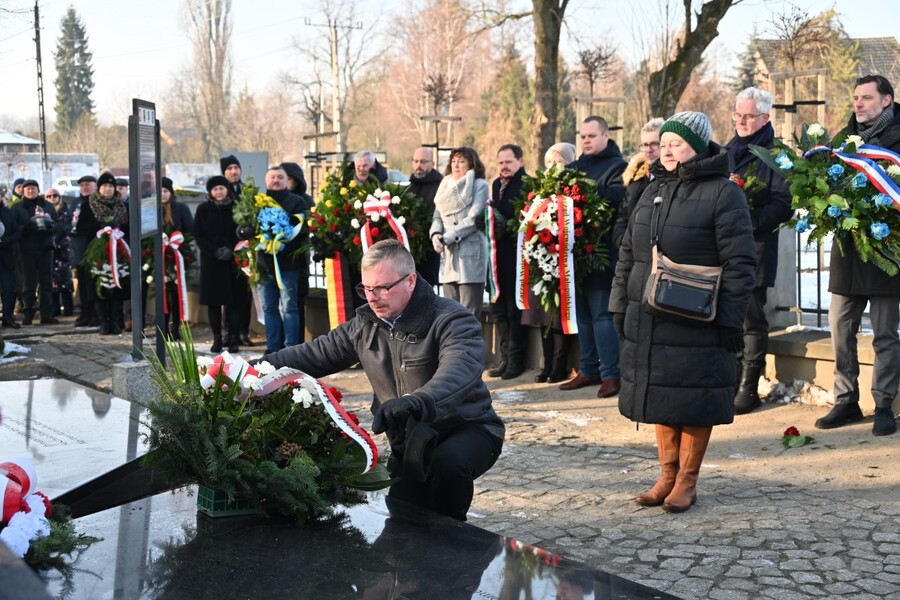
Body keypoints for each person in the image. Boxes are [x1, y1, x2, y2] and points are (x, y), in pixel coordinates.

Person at [261, 239, 504, 521]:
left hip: (469, 428)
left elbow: (459, 369)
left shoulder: (452, 319)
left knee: (447, 468)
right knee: (403, 516)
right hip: (411, 440)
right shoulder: (365, 325)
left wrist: (417, 401)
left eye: (382, 288)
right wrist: (249, 369)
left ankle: (458, 548)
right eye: (366, 288)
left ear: (411, 281)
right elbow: (313, 354)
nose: (372, 297)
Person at [610, 111, 756, 513]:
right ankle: (666, 474)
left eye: (677, 143)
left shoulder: (725, 193)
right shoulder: (651, 188)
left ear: (698, 146)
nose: (668, 149)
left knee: (693, 398)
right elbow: (628, 253)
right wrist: (619, 303)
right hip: (649, 312)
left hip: (697, 316)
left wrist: (730, 319)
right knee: (660, 395)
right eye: (665, 143)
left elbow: (741, 263)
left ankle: (687, 481)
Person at [815, 74, 900, 436]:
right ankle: (845, 400)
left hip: (887, 249)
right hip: (848, 251)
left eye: (866, 97)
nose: (858, 104)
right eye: (855, 98)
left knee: (884, 333)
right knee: (840, 327)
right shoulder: (843, 141)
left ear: (887, 100)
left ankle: (883, 403)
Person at [725, 87, 793, 415]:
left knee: (752, 318)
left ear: (765, 117)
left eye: (748, 116)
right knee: (728, 317)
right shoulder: (725, 151)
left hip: (756, 246)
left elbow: (783, 204)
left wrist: (745, 222)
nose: (741, 120)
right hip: (725, 249)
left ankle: (748, 387)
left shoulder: (777, 153)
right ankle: (730, 379)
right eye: (737, 114)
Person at [560, 116, 627, 398]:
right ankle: (588, 369)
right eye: (582, 136)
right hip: (574, 255)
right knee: (583, 316)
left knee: (601, 316)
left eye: (591, 136)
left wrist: (584, 192)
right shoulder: (573, 168)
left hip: (602, 252)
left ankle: (611, 373)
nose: (586, 140)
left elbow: (615, 199)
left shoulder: (618, 167)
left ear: (605, 136)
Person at [522, 143, 577, 383]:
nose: (553, 168)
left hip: (563, 258)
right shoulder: (541, 191)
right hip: (541, 258)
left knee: (558, 316)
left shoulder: (573, 188)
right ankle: (546, 364)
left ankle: (559, 365)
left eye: (558, 162)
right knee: (543, 315)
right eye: (549, 163)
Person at [430, 146, 489, 319]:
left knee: (469, 314)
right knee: (449, 313)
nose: (456, 165)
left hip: (470, 256)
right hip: (448, 257)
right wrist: (435, 235)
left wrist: (447, 238)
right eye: (454, 161)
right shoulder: (444, 185)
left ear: (471, 164)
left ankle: (469, 346)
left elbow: (473, 219)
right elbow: (437, 216)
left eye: (461, 161)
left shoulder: (479, 185)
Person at [256, 165, 308, 354]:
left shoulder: (297, 203)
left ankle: (290, 349)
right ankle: (272, 348)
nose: (276, 180)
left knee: (289, 307)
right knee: (268, 308)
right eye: (272, 177)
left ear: (287, 181)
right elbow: (246, 229)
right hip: (263, 264)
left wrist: (281, 242)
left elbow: (302, 232)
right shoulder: (257, 203)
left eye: (280, 177)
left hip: (288, 265)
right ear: (266, 180)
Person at [487, 144, 528, 380]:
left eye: (509, 162)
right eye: (500, 162)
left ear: (520, 161)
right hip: (497, 255)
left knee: (514, 310)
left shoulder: (525, 184)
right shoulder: (495, 185)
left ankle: (516, 360)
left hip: (516, 255)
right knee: (499, 308)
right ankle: (504, 358)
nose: (504, 166)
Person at [195, 175, 246, 353]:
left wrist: (231, 249)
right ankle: (217, 337)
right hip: (212, 262)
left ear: (227, 190)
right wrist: (215, 251)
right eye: (215, 189)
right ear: (210, 191)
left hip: (233, 260)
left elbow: (241, 232)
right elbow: (199, 236)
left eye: (221, 188)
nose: (219, 192)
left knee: (234, 302)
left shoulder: (236, 208)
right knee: (213, 303)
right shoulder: (203, 209)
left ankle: (233, 338)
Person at [74, 172, 129, 335]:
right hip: (96, 252)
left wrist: (117, 228)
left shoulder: (121, 206)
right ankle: (103, 321)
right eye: (105, 186)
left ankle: (115, 321)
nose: (108, 189)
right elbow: (81, 228)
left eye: (111, 186)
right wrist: (101, 227)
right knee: (99, 287)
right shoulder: (89, 205)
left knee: (116, 286)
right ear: (99, 188)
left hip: (117, 252)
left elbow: (128, 227)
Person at [12, 180, 61, 325]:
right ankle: (28, 313)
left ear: (38, 190)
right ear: (23, 192)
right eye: (27, 189)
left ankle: (46, 314)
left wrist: (50, 227)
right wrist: (26, 228)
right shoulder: (17, 208)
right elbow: (13, 227)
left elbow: (58, 224)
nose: (30, 191)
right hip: (26, 249)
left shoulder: (47, 206)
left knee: (46, 282)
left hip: (45, 248)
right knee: (28, 283)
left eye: (33, 189)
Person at [613, 117, 664, 247]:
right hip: (630, 252)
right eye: (645, 145)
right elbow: (622, 214)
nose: (648, 149)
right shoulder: (635, 176)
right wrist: (622, 240)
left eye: (654, 144)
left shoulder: (672, 177)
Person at [280, 161, 315, 343]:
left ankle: (298, 340)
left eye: (288, 178)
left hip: (299, 259)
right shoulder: (275, 201)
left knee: (296, 302)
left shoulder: (305, 201)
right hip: (278, 260)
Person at [220, 154, 254, 346]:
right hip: (227, 250)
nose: (233, 172)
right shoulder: (222, 192)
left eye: (236, 168)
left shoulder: (247, 191)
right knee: (228, 294)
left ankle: (243, 331)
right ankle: (228, 332)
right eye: (229, 169)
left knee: (246, 294)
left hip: (245, 249)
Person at [160, 177, 195, 338]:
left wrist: (178, 240)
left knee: (176, 294)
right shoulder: (152, 210)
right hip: (159, 258)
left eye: (166, 191)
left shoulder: (180, 208)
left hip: (177, 256)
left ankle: (176, 329)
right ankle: (163, 328)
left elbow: (190, 230)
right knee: (163, 294)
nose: (163, 194)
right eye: (159, 191)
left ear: (171, 192)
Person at [407, 147, 442, 285]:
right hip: (410, 248)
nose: (418, 166)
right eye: (415, 161)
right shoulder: (410, 187)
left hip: (429, 248)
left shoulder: (440, 185)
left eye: (423, 161)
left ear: (432, 164)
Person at [72, 175, 98, 327]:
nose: (84, 187)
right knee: (82, 283)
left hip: (93, 248)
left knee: (92, 283)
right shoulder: (76, 202)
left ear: (95, 186)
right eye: (81, 185)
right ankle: (85, 313)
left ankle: (94, 314)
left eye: (87, 184)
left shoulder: (95, 203)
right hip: (78, 248)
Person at [44, 188, 74, 317]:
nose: (52, 198)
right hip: (49, 251)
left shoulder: (66, 212)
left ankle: (68, 308)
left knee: (65, 281)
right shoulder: (43, 212)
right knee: (52, 282)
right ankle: (54, 308)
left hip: (63, 250)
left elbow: (67, 228)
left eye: (55, 195)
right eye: (49, 196)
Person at [0, 199, 21, 328]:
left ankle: (7, 317)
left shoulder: (8, 212)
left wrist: (6, 240)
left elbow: (17, 233)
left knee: (8, 289)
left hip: (6, 257)